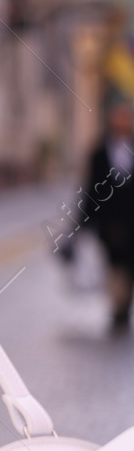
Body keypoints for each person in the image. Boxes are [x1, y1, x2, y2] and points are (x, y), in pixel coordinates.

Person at [84, 101, 134, 334]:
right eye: (118, 117)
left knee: (129, 267)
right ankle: (117, 308)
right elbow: (90, 189)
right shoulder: (99, 152)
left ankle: (125, 307)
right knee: (113, 267)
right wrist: (83, 222)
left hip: (131, 223)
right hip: (109, 223)